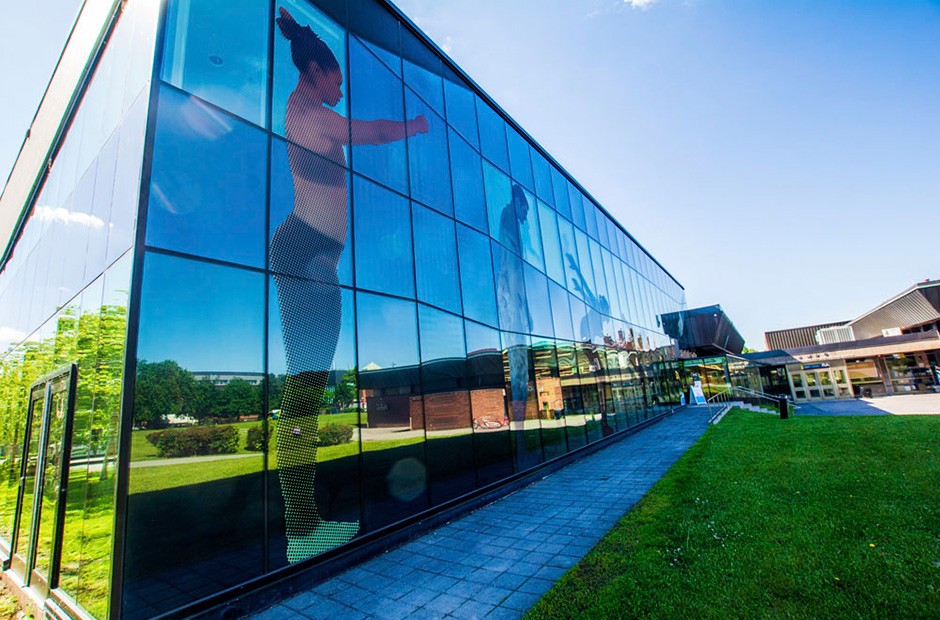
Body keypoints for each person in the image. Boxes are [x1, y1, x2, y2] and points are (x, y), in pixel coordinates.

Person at [271, 8, 428, 564]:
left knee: (306, 388)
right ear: (314, 72)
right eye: (336, 76)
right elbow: (372, 134)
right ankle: (300, 530)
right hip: (307, 252)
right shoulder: (311, 116)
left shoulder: (304, 105)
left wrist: (296, 25)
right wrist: (413, 126)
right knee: (305, 390)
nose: (341, 85)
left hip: (311, 252)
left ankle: (302, 524)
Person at [496, 185, 537, 467]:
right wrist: (523, 308)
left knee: (518, 369)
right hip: (511, 302)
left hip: (510, 300)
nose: (526, 215)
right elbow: (513, 270)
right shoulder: (509, 223)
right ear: (518, 203)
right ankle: (519, 442)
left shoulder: (508, 223)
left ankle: (519, 440)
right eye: (525, 209)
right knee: (519, 370)